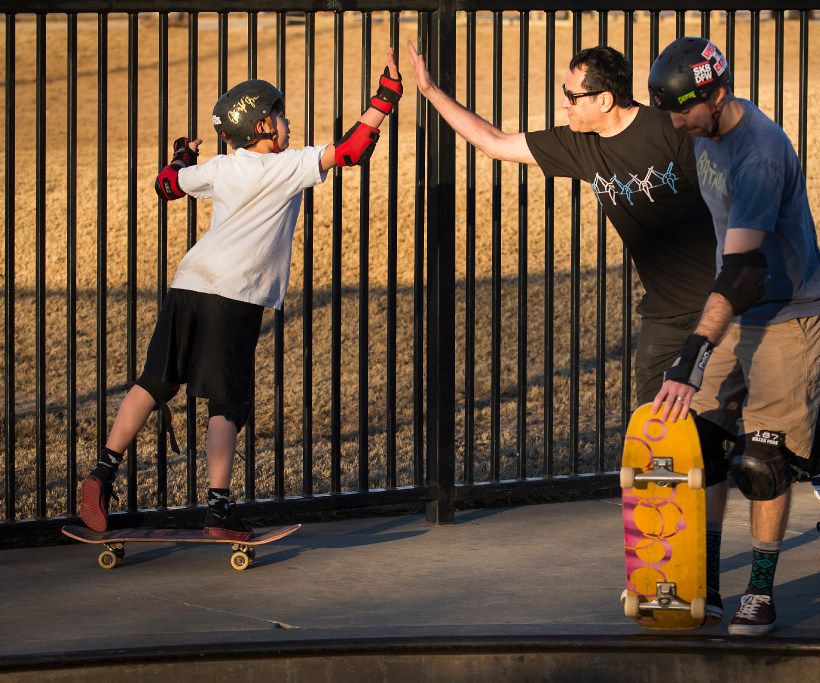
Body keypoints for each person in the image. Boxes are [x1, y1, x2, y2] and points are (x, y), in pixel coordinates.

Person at [78, 49, 404, 541]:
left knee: (154, 381)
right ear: (261, 129)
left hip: (188, 285)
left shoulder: (222, 167)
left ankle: (100, 474)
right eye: (279, 116)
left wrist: (182, 157)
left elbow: (168, 185)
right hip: (234, 296)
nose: (287, 122)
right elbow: (352, 149)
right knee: (226, 402)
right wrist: (386, 96)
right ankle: (218, 511)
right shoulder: (288, 166)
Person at [648, 36, 820, 636]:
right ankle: (709, 585)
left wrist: (692, 354)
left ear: (716, 95)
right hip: (739, 309)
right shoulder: (701, 130)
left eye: (682, 110)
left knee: (763, 463)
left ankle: (761, 592)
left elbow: (745, 271)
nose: (675, 123)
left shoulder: (759, 154)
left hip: (790, 312)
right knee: (706, 448)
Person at [405, 41, 718, 409]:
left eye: (572, 95)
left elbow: (728, 206)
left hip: (716, 305)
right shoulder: (578, 144)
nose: (564, 103)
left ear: (603, 100)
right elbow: (495, 143)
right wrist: (430, 91)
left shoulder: (669, 131)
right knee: (654, 428)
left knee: (721, 423)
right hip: (664, 316)